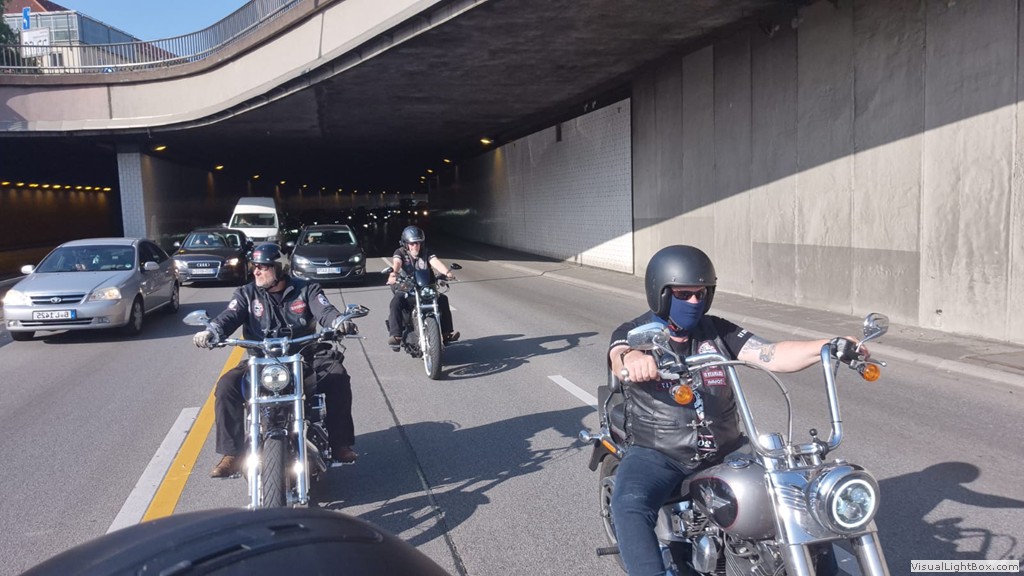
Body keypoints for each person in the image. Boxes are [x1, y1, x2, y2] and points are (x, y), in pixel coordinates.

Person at [607, 245, 864, 576]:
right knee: (629, 505)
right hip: (659, 450)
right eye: (684, 294)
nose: (694, 302)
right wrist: (634, 360)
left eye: (701, 294)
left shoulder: (718, 331)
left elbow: (771, 353)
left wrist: (827, 345)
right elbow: (619, 356)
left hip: (727, 449)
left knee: (797, 490)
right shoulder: (635, 332)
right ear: (661, 294)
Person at [192, 243, 361, 478]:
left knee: (337, 376)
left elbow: (324, 310)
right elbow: (229, 315)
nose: (256, 271)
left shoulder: (307, 289)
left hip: (304, 356)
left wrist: (338, 322)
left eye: (262, 267)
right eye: (255, 266)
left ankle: (339, 444)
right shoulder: (246, 294)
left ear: (278, 268)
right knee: (226, 386)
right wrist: (212, 331)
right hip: (261, 361)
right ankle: (233, 454)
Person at [385, 226, 459, 348]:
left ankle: (446, 334)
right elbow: (396, 263)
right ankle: (396, 336)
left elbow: (435, 262)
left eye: (418, 243)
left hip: (425, 286)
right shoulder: (400, 252)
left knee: (442, 299)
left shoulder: (426, 252)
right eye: (412, 243)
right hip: (407, 286)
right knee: (396, 301)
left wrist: (447, 273)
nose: (415, 246)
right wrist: (393, 274)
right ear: (406, 244)